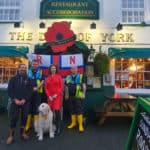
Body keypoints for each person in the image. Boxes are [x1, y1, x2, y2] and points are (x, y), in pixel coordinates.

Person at [6, 64, 32, 145]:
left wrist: (25, 99)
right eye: (22, 68)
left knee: (24, 117)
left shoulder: (28, 79)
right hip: (15, 102)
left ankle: (22, 133)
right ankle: (11, 136)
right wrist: (15, 99)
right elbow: (10, 91)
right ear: (18, 68)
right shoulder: (13, 79)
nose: (23, 69)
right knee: (14, 118)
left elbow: (30, 91)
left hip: (25, 102)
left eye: (24, 68)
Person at [65, 65, 86, 132]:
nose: (73, 70)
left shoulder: (81, 76)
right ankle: (73, 123)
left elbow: (84, 86)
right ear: (70, 70)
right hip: (70, 97)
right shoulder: (68, 77)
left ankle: (80, 125)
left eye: (74, 68)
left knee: (79, 110)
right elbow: (66, 87)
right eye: (72, 69)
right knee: (71, 110)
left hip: (78, 96)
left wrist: (84, 94)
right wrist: (66, 95)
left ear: (77, 69)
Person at [25, 59, 44, 132]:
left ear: (38, 65)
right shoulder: (27, 71)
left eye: (36, 64)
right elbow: (25, 81)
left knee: (37, 108)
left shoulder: (41, 72)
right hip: (29, 93)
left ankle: (36, 126)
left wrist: (37, 87)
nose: (34, 65)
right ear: (31, 64)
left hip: (38, 93)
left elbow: (42, 81)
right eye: (33, 64)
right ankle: (27, 125)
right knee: (28, 108)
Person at [45, 64, 63, 136]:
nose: (53, 69)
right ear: (50, 69)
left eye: (54, 68)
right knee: (51, 113)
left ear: (56, 69)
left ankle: (58, 127)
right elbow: (46, 88)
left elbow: (61, 87)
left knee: (57, 112)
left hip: (57, 97)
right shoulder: (47, 78)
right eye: (52, 68)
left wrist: (56, 94)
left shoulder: (59, 77)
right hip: (50, 98)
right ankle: (52, 127)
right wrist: (49, 96)